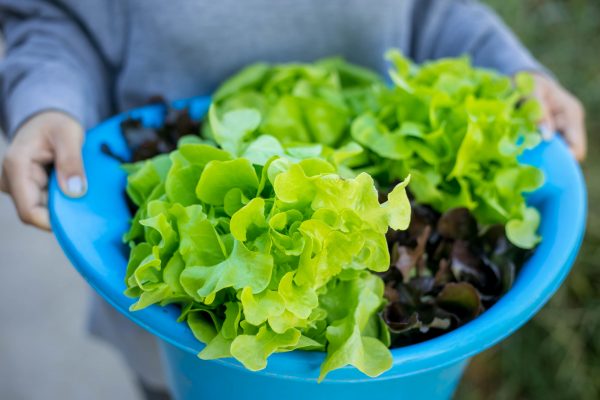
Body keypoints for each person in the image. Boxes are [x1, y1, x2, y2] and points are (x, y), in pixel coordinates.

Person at [0, 0, 587, 398]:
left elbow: (435, 9)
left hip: (390, 368)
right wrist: (47, 100)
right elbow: (54, 16)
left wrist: (507, 69)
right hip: (175, 343)